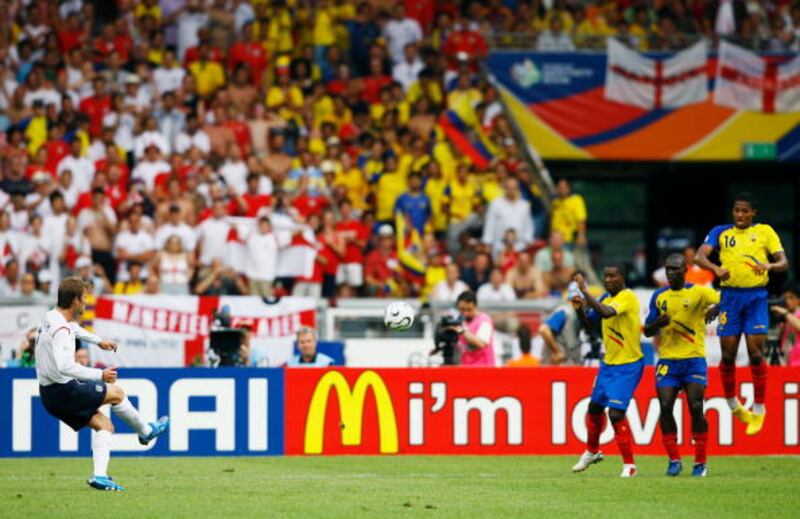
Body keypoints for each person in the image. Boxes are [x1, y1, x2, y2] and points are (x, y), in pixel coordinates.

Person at [35, 277, 169, 491]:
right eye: (84, 298)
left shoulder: (51, 316)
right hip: (63, 390)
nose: (87, 302)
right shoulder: (62, 330)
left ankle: (99, 476)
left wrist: (99, 341)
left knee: (105, 426)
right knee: (115, 393)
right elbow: (64, 367)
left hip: (49, 394)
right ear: (75, 301)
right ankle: (145, 431)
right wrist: (100, 375)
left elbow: (74, 328)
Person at [695, 192, 788, 435]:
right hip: (730, 298)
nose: (740, 215)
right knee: (727, 356)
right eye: (737, 210)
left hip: (756, 297)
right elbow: (699, 256)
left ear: (753, 213)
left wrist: (769, 265)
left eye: (745, 211)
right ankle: (733, 404)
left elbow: (783, 262)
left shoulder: (765, 232)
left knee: (756, 354)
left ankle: (758, 409)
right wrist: (716, 268)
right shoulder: (721, 232)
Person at [643, 253, 720, 478]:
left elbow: (727, 298)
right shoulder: (659, 296)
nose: (671, 273)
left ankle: (700, 461)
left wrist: (716, 307)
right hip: (667, 360)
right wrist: (658, 322)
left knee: (696, 406)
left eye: (675, 269)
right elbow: (647, 330)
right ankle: (674, 460)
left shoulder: (698, 291)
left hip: (694, 359)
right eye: (668, 269)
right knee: (665, 405)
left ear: (685, 270)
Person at [571, 266, 643, 478]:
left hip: (629, 365)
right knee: (594, 408)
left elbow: (607, 312)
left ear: (623, 277)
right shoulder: (604, 297)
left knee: (615, 413)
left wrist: (585, 291)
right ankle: (592, 451)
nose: (608, 279)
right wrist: (578, 309)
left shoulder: (628, 297)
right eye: (606, 276)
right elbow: (590, 326)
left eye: (613, 275)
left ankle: (629, 465)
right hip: (608, 364)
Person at [453, 290, 496, 367]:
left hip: (483, 369)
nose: (465, 313)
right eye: (462, 309)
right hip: (466, 368)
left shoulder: (484, 321)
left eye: (469, 309)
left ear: (475, 306)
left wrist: (462, 331)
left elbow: (481, 343)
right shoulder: (459, 322)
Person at [770, 286, 800, 366]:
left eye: (791, 297)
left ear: (798, 300)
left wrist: (785, 313)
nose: (787, 301)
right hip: (787, 362)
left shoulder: (795, 314)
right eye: (785, 298)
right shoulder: (784, 317)